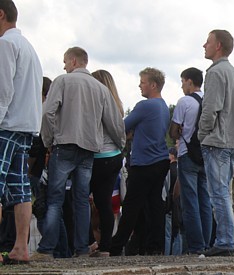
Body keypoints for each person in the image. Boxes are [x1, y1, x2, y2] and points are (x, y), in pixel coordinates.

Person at [37, 47, 125, 260]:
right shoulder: (101, 89)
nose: (64, 66)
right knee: (81, 199)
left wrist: (48, 140)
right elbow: (113, 122)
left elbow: (48, 112)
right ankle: (82, 249)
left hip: (64, 145)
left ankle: (46, 248)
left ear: (74, 61)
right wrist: (121, 144)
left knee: (55, 199)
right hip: (88, 150)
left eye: (65, 61)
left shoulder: (62, 81)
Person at [199, 29, 234, 257]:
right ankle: (228, 241)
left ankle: (226, 241)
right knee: (227, 193)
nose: (204, 45)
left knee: (218, 192)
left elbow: (210, 108)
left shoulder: (215, 73)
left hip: (218, 141)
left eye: (208, 41)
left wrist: (202, 134)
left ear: (218, 45)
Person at [109, 67, 170, 256]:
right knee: (154, 204)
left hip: (144, 162)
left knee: (131, 205)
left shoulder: (145, 106)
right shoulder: (163, 106)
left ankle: (117, 244)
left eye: (143, 82)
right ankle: (154, 246)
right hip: (160, 160)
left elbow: (122, 126)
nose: (139, 85)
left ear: (153, 85)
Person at [0, 0, 42, 265]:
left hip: (6, 123)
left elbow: (3, 89)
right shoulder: (28, 46)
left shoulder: (6, 43)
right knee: (21, 188)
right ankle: (20, 247)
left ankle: (18, 248)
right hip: (27, 125)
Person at [169, 67, 212, 255]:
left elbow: (173, 131)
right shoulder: (208, 100)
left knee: (190, 202)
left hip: (187, 154)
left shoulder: (185, 101)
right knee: (205, 201)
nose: (181, 86)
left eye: (182, 81)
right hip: (206, 155)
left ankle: (196, 246)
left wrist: (179, 132)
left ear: (189, 81)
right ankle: (207, 244)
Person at [89, 69, 125, 257]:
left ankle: (88, 242)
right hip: (114, 156)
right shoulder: (117, 105)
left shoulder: (95, 103)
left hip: (97, 156)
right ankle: (105, 247)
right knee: (104, 203)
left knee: (78, 199)